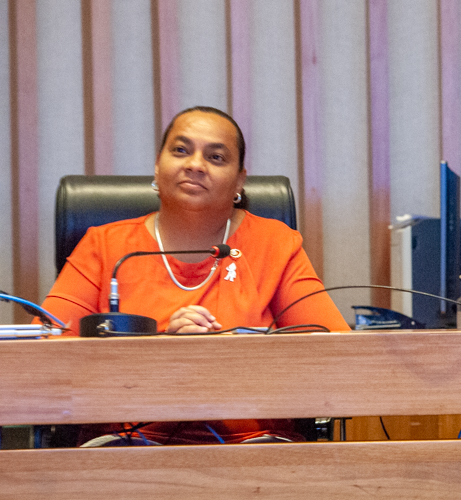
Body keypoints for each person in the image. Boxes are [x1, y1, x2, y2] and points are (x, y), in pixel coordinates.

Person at [43, 106, 349, 443]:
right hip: (124, 447)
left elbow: (335, 352)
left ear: (239, 180)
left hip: (255, 445)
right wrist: (161, 352)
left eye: (216, 157)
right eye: (180, 150)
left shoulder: (274, 243)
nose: (195, 165)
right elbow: (46, 354)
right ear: (157, 165)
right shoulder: (104, 246)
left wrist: (232, 356)